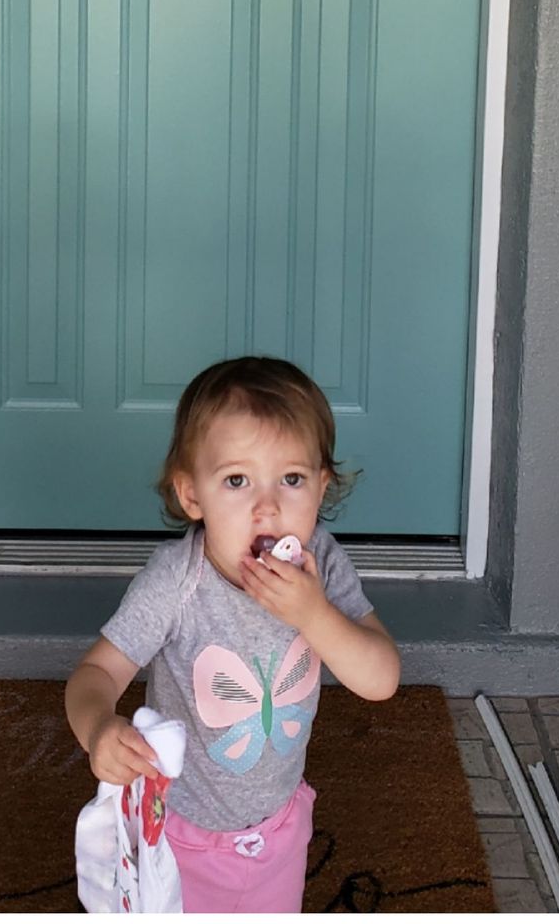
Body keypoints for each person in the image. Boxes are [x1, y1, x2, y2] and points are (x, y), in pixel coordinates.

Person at [64, 356, 401, 913]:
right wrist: (99, 728)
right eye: (236, 480)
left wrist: (315, 615)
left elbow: (382, 677)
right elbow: (96, 673)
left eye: (291, 479)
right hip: (178, 836)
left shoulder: (325, 567)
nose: (267, 506)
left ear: (321, 488)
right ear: (192, 496)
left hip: (279, 827)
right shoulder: (178, 582)